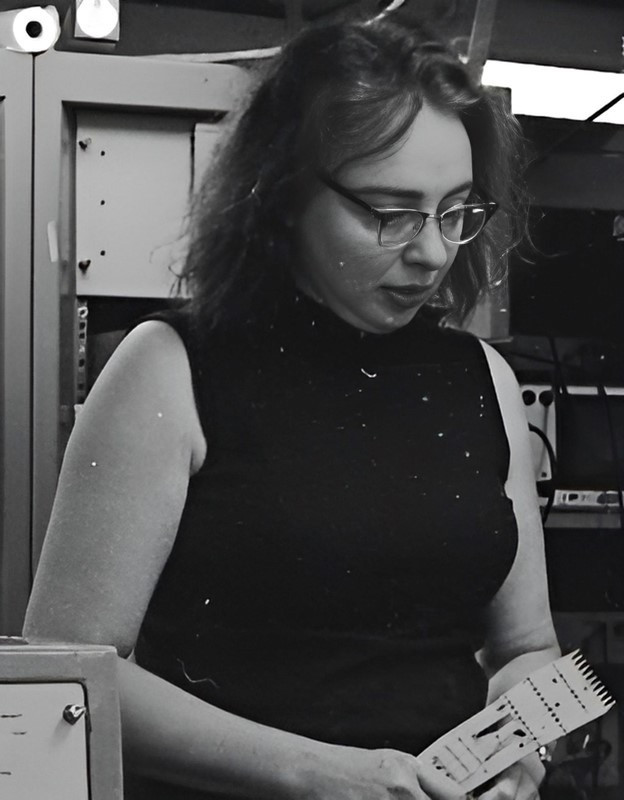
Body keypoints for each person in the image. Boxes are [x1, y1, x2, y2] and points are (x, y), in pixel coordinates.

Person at [23, 13, 560, 800]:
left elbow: (527, 649)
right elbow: (70, 673)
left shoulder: (484, 379)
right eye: (390, 212)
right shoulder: (169, 369)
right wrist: (320, 774)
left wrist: (519, 747)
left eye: (456, 211)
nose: (433, 252)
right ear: (282, 195)